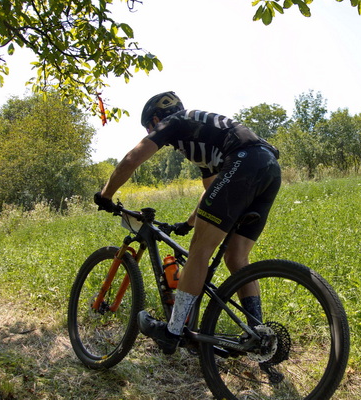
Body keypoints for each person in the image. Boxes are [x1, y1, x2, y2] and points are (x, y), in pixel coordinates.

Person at [94, 91, 281, 355]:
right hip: (267, 166)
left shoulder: (175, 122)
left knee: (199, 251)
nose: (151, 132)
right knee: (236, 257)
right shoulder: (200, 137)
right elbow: (212, 189)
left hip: (243, 161)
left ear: (156, 119)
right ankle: (258, 335)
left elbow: (132, 158)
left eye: (149, 127)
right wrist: (188, 223)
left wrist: (106, 195)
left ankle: (172, 331)